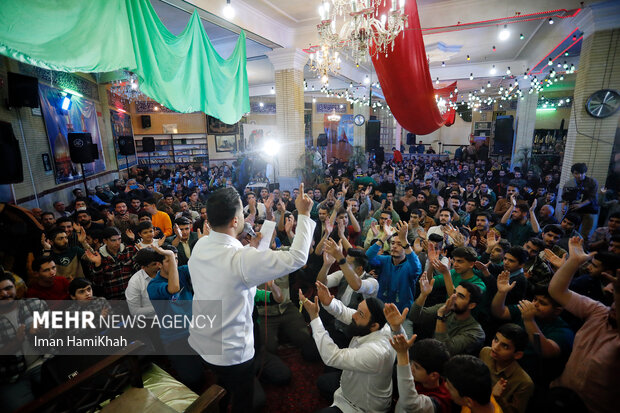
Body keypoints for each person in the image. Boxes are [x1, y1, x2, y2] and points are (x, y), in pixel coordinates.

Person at [187, 185, 316, 413]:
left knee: (223, 385)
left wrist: (253, 249)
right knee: (245, 402)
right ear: (236, 221)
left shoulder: (201, 245)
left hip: (202, 342)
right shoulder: (241, 259)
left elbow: (235, 268)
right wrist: (304, 214)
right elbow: (297, 258)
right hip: (232, 351)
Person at [549, 237, 620, 413]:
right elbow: (557, 291)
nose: (609, 291)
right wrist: (573, 262)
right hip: (561, 396)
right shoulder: (600, 312)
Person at [301, 283, 395, 413]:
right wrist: (329, 302)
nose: (354, 316)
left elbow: (332, 357)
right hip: (350, 387)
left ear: (374, 325)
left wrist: (314, 317)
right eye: (358, 310)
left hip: (362, 408)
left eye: (360, 314)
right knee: (323, 382)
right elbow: (346, 312)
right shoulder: (380, 326)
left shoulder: (376, 352)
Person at [0, 272, 51, 412]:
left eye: (8, 288)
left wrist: (43, 331)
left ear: (15, 288)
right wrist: (17, 341)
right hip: (11, 378)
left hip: (44, 362)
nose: (4, 294)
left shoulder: (35, 303)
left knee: (67, 393)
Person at [410, 274, 485, 356]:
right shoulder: (448, 308)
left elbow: (443, 351)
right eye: (454, 293)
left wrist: (441, 316)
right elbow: (415, 317)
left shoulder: (475, 332)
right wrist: (423, 295)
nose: (453, 297)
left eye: (460, 296)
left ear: (471, 305)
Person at [389, 333, 452, 413]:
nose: (411, 368)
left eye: (416, 367)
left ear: (433, 375)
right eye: (411, 363)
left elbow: (410, 403)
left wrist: (402, 354)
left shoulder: (440, 401)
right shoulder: (418, 380)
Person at [479, 324, 534, 413]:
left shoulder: (524, 382)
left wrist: (498, 398)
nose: (495, 347)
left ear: (517, 355)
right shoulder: (485, 352)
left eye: (505, 346)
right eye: (496, 340)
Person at [561, 163, 599, 238]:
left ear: (585, 172)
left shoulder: (592, 182)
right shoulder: (569, 183)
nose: (579, 176)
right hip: (574, 209)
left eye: (582, 173)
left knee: (585, 233)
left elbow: (592, 197)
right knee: (568, 229)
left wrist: (581, 205)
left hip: (589, 209)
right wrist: (563, 206)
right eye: (576, 173)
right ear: (573, 173)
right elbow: (565, 197)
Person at [125, 248, 163, 317]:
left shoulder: (164, 272)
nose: (159, 265)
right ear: (143, 267)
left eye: (159, 262)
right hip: (149, 321)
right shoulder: (135, 282)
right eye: (154, 264)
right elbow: (135, 311)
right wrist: (160, 307)